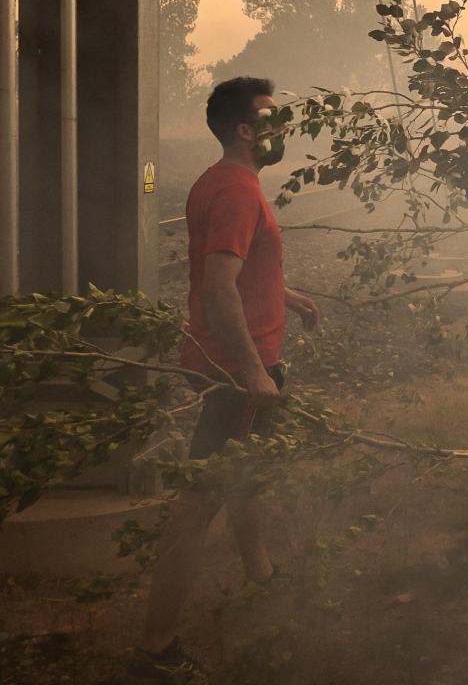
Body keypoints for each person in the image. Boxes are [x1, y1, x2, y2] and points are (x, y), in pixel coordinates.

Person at [132, 77, 321, 681]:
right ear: (247, 130)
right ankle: (156, 648)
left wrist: (286, 297)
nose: (282, 128)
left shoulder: (220, 183)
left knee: (248, 474)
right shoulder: (240, 192)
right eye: (273, 118)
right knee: (199, 503)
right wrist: (250, 372)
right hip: (236, 369)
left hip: (226, 359)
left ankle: (260, 572)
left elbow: (234, 271)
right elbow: (217, 288)